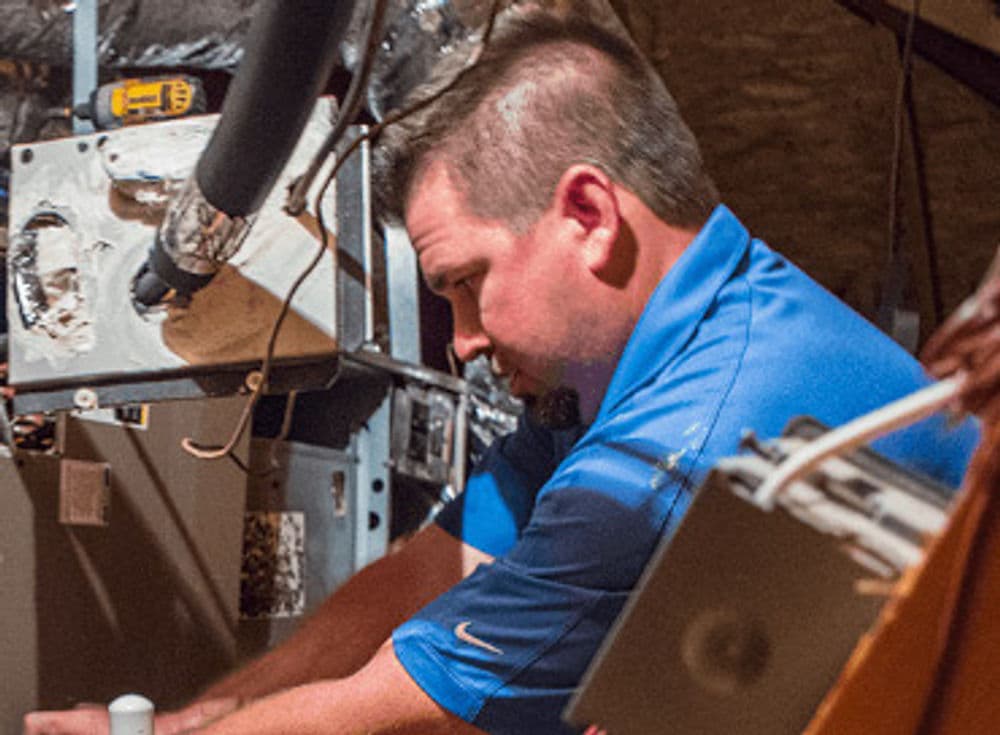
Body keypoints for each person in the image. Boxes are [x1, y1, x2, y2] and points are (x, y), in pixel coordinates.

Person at [24, 11, 978, 735]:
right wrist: (197, 717)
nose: (464, 339)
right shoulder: (663, 350)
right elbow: (433, 566)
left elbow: (392, 711)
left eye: (468, 283)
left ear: (591, 215)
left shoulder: (672, 448)